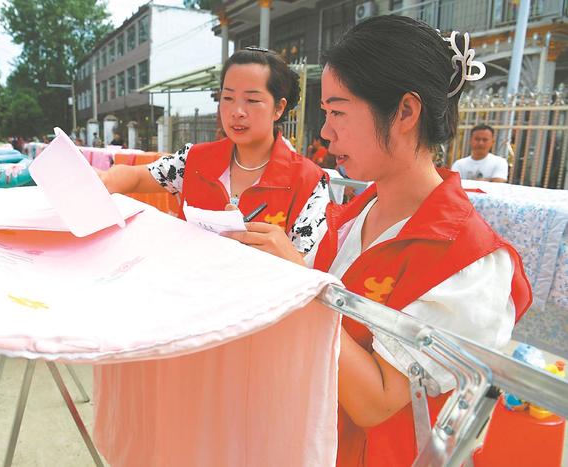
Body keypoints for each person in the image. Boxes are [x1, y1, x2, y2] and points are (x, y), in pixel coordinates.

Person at [224, 16, 531, 467]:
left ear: (406, 112)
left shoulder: (470, 263)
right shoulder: (357, 212)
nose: (326, 133)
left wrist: (299, 280)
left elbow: (375, 401)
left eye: (338, 112)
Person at [97, 47, 329, 258]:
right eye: (227, 98)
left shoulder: (309, 182)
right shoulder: (193, 160)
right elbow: (138, 177)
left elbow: (308, 272)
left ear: (278, 108)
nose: (237, 111)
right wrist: (103, 180)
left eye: (251, 100)